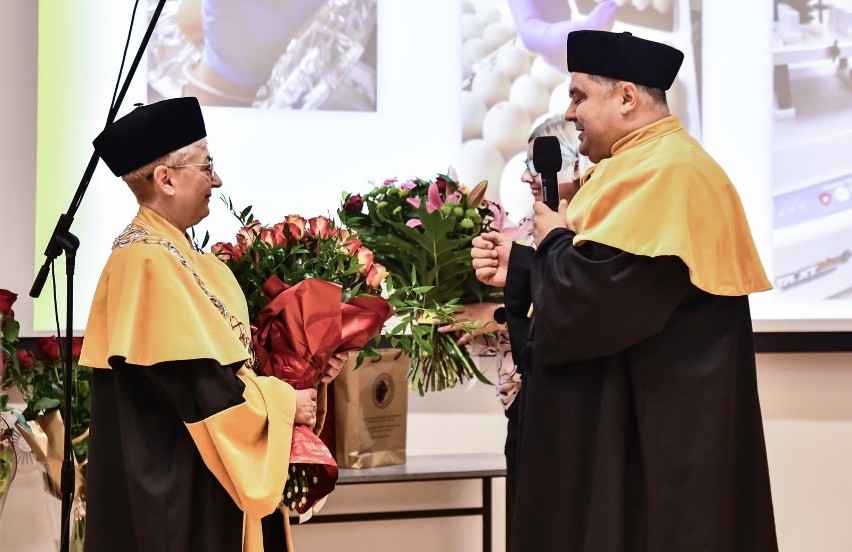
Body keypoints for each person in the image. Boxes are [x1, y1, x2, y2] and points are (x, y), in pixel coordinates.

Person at [471, 30, 779, 551]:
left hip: (659, 454)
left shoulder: (669, 173)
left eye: (578, 96)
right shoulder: (640, 166)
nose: (570, 114)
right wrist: (526, 263)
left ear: (628, 97)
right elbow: (609, 278)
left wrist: (552, 241)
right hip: (639, 429)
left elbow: (592, 306)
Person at [79, 97, 343, 551]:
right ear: (166, 179)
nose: (217, 180)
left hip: (203, 478)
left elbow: (225, 369)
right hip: (178, 491)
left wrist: (304, 373)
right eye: (206, 167)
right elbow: (197, 385)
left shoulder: (187, 258)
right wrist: (284, 404)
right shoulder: (145, 261)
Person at [442, 114, 585, 547]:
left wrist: (496, 314)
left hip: (568, 412)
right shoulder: (525, 229)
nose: (526, 176)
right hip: (523, 404)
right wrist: (465, 322)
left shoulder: (593, 229)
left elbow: (575, 314)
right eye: (525, 163)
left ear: (577, 165)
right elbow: (518, 323)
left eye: (538, 163)